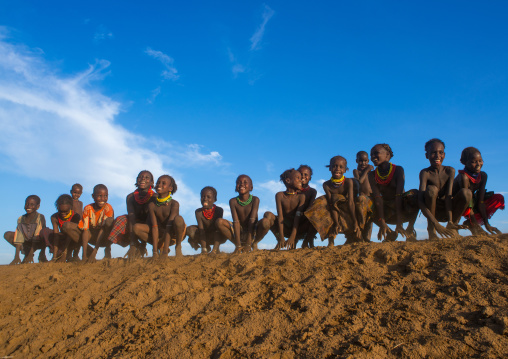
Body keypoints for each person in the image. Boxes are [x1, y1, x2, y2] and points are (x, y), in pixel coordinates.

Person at [305, 156, 364, 246]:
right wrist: (336, 223)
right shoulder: (326, 185)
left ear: (345, 170)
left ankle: (355, 234)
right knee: (321, 203)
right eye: (334, 166)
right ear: (330, 168)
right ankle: (331, 239)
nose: (337, 169)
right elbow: (332, 204)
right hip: (332, 208)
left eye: (341, 167)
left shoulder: (348, 182)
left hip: (347, 208)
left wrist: (355, 222)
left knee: (359, 204)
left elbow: (351, 202)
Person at [368, 144, 419, 242]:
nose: (373, 157)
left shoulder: (398, 170)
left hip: (401, 207)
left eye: (376, 153)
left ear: (387, 155)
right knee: (366, 202)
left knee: (415, 194)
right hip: (385, 209)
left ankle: (410, 229)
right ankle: (390, 233)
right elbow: (378, 198)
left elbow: (398, 196)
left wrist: (400, 223)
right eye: (371, 155)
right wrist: (382, 222)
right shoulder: (371, 175)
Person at [418, 139, 467, 240]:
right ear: (426, 155)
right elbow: (420, 201)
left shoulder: (449, 171)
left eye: (441, 152)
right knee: (432, 189)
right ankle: (432, 230)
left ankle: (453, 227)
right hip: (433, 213)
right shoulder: (425, 173)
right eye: (433, 153)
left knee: (466, 193)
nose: (437, 156)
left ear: (444, 154)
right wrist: (435, 223)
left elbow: (449, 196)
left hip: (447, 210)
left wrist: (450, 221)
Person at [453, 147, 504, 235]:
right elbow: (467, 201)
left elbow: (480, 202)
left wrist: (487, 224)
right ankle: (471, 224)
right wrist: (477, 226)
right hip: (458, 205)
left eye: (480, 160)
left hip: (471, 203)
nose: (478, 164)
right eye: (474, 161)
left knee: (498, 198)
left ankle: (471, 223)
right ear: (465, 162)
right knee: (467, 196)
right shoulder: (463, 177)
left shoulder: (483, 176)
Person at [133, 175, 186, 258]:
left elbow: (169, 227)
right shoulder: (152, 205)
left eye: (163, 183)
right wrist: (154, 252)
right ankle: (159, 247)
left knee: (179, 220)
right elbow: (154, 227)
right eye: (158, 183)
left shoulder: (174, 204)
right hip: (159, 233)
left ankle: (178, 247)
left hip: (173, 234)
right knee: (136, 228)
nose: (159, 185)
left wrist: (165, 252)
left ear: (170, 188)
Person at [107, 170, 156, 257]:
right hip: (134, 224)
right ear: (137, 180)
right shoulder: (131, 197)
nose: (143, 179)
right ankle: (136, 244)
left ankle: (150, 247)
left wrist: (144, 244)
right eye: (140, 177)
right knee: (121, 219)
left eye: (147, 178)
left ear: (152, 182)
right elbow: (132, 218)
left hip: (151, 225)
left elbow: (153, 219)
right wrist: (132, 245)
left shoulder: (155, 197)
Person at [256, 169, 307, 250]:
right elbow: (280, 217)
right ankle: (279, 239)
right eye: (298, 178)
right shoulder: (280, 195)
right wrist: (282, 237)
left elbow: (297, 218)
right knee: (267, 214)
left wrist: (292, 237)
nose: (301, 180)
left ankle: (297, 241)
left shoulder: (301, 197)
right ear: (288, 180)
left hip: (297, 229)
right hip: (283, 228)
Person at [216, 175, 260, 253]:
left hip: (252, 230)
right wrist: (238, 245)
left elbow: (252, 221)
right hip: (239, 230)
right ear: (236, 186)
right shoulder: (233, 201)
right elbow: (236, 222)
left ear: (251, 187)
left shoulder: (255, 200)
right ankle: (239, 245)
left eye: (245, 182)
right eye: (239, 182)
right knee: (219, 222)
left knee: (265, 222)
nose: (242, 184)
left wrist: (248, 244)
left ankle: (253, 243)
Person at [4, 195, 51, 264]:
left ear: (37, 207)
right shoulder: (21, 218)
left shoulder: (40, 217)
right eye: (27, 204)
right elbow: (18, 236)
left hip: (38, 242)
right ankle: (26, 253)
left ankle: (42, 255)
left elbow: (37, 235)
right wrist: (16, 256)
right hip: (27, 241)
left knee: (44, 233)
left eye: (32, 204)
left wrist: (30, 254)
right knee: (7, 234)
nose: (28, 206)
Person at [78, 184, 115, 262]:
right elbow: (85, 230)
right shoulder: (88, 208)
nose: (103, 199)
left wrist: (94, 254)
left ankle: (107, 249)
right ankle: (87, 251)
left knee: (109, 222)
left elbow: (103, 229)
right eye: (99, 196)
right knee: (73, 228)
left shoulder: (108, 208)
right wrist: (84, 256)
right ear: (93, 196)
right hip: (92, 238)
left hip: (105, 238)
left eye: (105, 196)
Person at [187, 186, 227, 254]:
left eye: (208, 197)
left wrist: (214, 250)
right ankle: (206, 247)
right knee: (189, 230)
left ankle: (216, 248)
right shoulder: (198, 212)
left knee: (222, 229)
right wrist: (203, 249)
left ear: (214, 199)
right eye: (203, 196)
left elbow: (218, 230)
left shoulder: (219, 210)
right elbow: (201, 230)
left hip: (217, 236)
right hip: (204, 235)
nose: (205, 199)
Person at [51, 194, 81, 262]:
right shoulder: (54, 217)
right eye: (61, 211)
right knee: (47, 233)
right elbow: (56, 236)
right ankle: (61, 255)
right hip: (62, 240)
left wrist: (64, 254)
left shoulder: (75, 216)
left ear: (71, 207)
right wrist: (54, 257)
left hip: (73, 240)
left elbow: (70, 236)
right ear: (57, 207)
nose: (63, 213)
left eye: (66, 211)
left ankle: (74, 255)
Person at [353, 151, 374, 241]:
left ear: (368, 160)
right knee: (362, 218)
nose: (363, 163)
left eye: (365, 161)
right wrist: (367, 170)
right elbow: (360, 181)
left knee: (370, 220)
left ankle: (367, 238)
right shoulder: (356, 171)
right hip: (362, 198)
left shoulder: (371, 172)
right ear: (356, 161)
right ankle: (360, 236)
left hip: (371, 198)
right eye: (361, 161)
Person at [297, 165, 318, 248]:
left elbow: (310, 207)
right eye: (300, 174)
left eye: (306, 175)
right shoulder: (293, 190)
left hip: (305, 219)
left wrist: (303, 213)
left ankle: (307, 241)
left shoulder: (312, 191)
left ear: (310, 178)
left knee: (315, 217)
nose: (303, 176)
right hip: (292, 220)